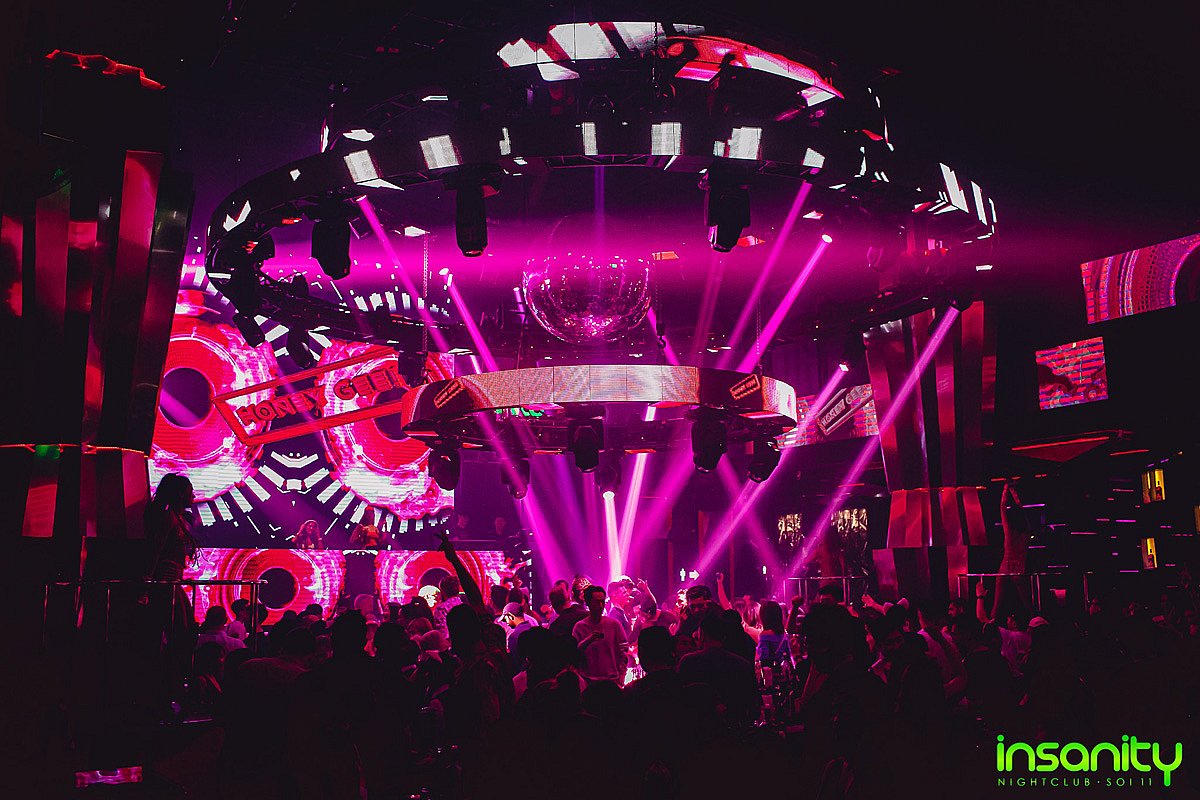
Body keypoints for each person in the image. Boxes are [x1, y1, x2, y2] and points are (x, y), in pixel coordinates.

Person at [677, 615, 760, 727]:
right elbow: (753, 703)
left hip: (698, 729)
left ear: (702, 635)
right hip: (735, 729)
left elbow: (680, 701)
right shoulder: (742, 664)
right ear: (724, 637)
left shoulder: (688, 662)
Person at [572, 585, 629, 685]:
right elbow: (574, 654)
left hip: (611, 680)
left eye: (602, 601)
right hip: (588, 681)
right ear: (588, 603)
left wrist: (621, 675)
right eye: (596, 602)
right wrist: (589, 640)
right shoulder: (580, 627)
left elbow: (623, 650)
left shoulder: (614, 625)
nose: (600, 605)